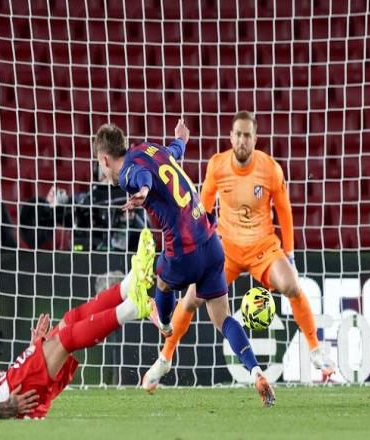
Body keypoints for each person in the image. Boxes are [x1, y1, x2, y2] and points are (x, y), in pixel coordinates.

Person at [142, 111, 336, 392]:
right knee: (191, 300)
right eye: (238, 134)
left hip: (263, 248)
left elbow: (284, 212)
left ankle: (316, 350)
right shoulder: (217, 165)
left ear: (255, 139)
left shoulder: (270, 169)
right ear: (231, 137)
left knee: (292, 285)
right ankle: (165, 358)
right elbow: (202, 207)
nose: (242, 140)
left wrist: (290, 255)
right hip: (226, 249)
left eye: (247, 135)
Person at [94, 119, 275, 406]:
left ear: (105, 159)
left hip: (183, 249)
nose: (104, 172)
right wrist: (181, 139)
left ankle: (165, 324)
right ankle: (256, 371)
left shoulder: (127, 173)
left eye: (100, 165)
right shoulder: (150, 149)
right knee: (223, 319)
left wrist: (142, 192)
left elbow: (143, 177)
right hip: (211, 242)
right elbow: (173, 152)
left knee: (161, 281)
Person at [0, 229, 156, 420]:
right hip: (12, 391)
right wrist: (1, 408)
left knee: (69, 321)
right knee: (66, 337)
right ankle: (131, 308)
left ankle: (127, 287)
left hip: (13, 385)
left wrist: (33, 348)